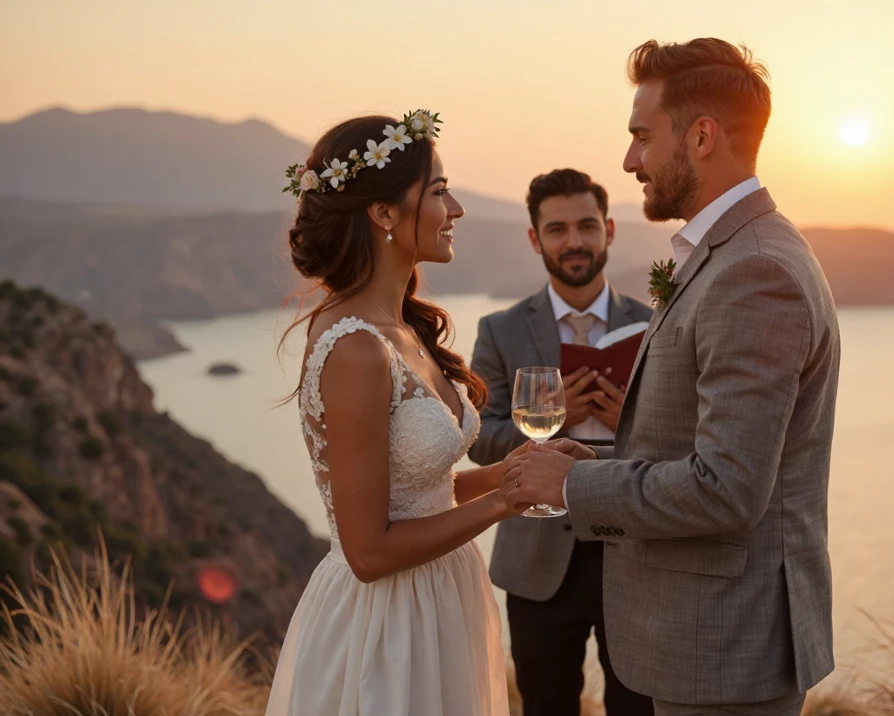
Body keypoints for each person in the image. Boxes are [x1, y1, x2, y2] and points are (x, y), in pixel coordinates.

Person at [504, 39, 842, 716]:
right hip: (703, 643)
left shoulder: (755, 272)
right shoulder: (729, 256)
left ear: (702, 135)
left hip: (724, 650)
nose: (630, 161)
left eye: (640, 137)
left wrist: (571, 484)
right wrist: (597, 454)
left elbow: (725, 491)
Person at [265, 111, 524, 716]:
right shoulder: (355, 348)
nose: (456, 208)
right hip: (387, 629)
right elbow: (369, 552)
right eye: (438, 192)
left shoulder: (403, 329)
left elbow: (420, 494)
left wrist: (513, 474)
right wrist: (504, 504)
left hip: (443, 600)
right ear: (382, 212)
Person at [468, 168, 655, 716]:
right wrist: (557, 417)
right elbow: (479, 438)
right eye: (556, 229)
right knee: (546, 706)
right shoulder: (499, 330)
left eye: (586, 226)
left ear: (609, 230)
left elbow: (684, 441)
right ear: (535, 238)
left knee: (638, 708)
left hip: (637, 549)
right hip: (538, 557)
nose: (574, 242)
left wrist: (632, 422)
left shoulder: (657, 322)